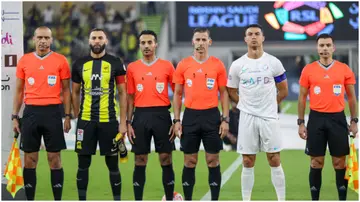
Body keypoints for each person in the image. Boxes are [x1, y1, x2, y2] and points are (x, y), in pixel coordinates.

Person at [227, 24, 288, 201]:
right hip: (247, 117)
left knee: (274, 159)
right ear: (245, 39)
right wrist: (245, 104)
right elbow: (231, 90)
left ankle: (281, 199)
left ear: (263, 38)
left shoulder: (273, 62)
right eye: (250, 34)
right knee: (247, 161)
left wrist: (270, 104)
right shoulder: (238, 65)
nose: (254, 37)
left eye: (257, 34)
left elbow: (283, 90)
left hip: (269, 117)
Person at [12, 26, 71, 200]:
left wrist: (67, 116)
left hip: (53, 113)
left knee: (54, 159)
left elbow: (66, 91)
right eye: (40, 37)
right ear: (34, 39)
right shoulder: (24, 61)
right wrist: (15, 116)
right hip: (30, 113)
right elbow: (18, 91)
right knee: (30, 159)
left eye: (46, 38)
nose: (43, 41)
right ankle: (30, 199)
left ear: (51, 40)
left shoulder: (61, 61)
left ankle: (57, 199)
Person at [297, 33, 358, 200]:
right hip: (316, 119)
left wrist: (354, 121)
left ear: (333, 47)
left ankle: (342, 199)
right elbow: (302, 97)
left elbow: (352, 98)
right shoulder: (308, 70)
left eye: (327, 45)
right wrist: (301, 123)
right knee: (316, 162)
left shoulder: (344, 69)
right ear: (317, 48)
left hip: (337, 119)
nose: (324, 48)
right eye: (321, 45)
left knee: (339, 163)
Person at [172, 28, 229, 200]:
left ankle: (214, 199)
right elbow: (177, 94)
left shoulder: (217, 65)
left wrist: (225, 119)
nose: (201, 43)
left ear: (209, 42)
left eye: (204, 39)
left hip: (211, 116)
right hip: (190, 116)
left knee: (213, 160)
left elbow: (224, 93)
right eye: (197, 39)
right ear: (193, 42)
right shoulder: (183, 65)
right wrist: (176, 120)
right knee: (190, 161)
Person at [71, 28, 127, 200]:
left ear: (106, 41)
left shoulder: (115, 63)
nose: (97, 41)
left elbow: (123, 93)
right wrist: (76, 116)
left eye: (100, 38)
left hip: (109, 121)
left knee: (113, 165)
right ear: (89, 41)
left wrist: (123, 122)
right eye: (93, 38)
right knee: (83, 165)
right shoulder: (79, 64)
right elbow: (74, 92)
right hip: (86, 121)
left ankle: (116, 199)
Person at [126, 30, 176, 200]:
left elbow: (177, 94)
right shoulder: (132, 68)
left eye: (149, 42)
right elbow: (130, 97)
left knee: (165, 158)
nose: (146, 46)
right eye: (143, 43)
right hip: (140, 116)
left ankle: (169, 198)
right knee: (140, 159)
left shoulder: (167, 66)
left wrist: (176, 120)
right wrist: (128, 122)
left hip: (162, 115)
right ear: (139, 45)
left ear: (156, 44)